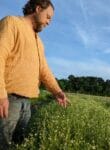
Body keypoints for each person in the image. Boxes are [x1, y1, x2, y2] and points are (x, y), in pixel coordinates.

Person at [0, 0, 70, 149]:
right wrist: (1, 95)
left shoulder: (39, 42)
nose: (49, 22)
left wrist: (57, 91)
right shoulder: (12, 22)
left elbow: (44, 70)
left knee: (18, 143)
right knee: (3, 143)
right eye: (48, 17)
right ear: (38, 9)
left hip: (27, 103)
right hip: (8, 99)